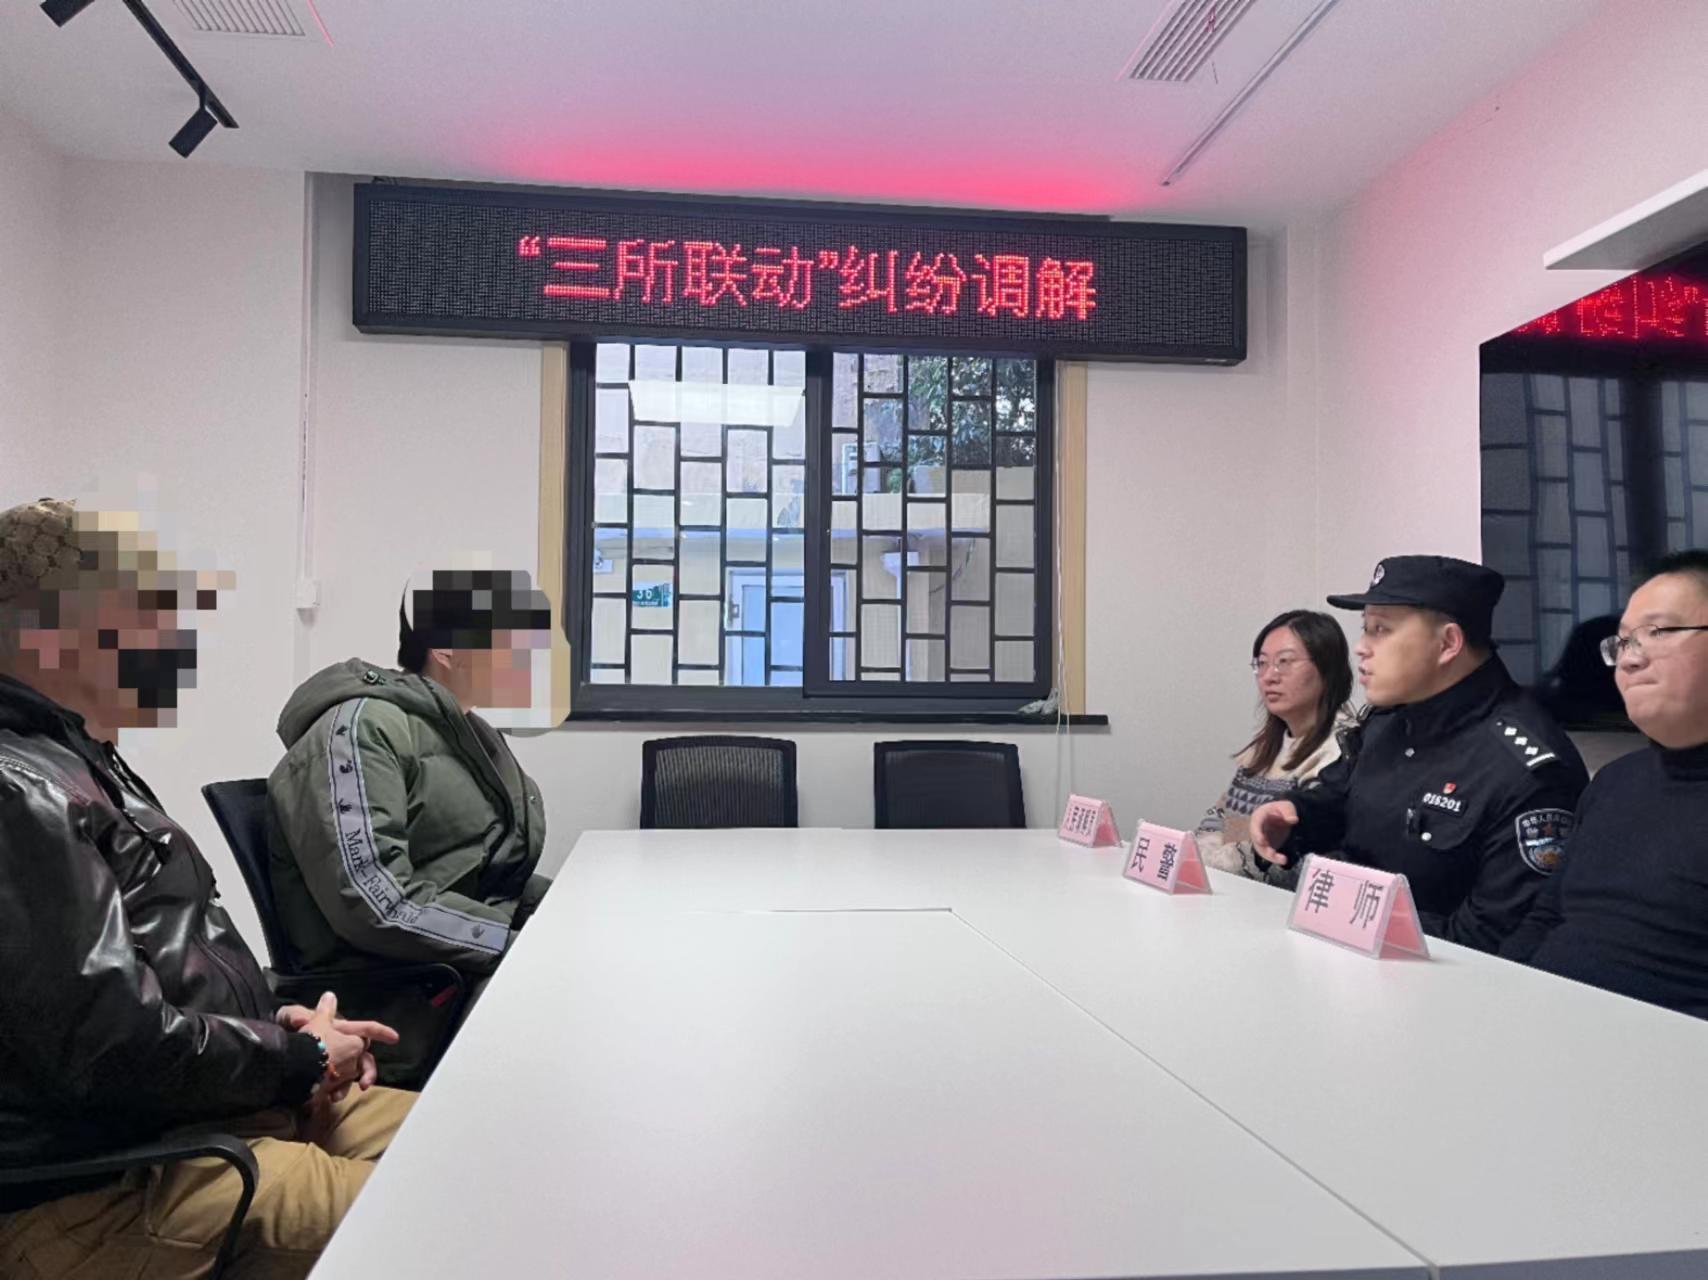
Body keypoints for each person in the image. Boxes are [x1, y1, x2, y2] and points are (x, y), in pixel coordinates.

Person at [0, 498, 412, 1280]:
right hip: (105, 1187)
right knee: (466, 1212)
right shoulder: (19, 787)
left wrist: (277, 1025)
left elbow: (142, 977)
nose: (171, 640)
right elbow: (109, 1049)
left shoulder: (79, 759)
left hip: (200, 1117)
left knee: (490, 1146)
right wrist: (294, 1056)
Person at [266, 569, 553, 1074]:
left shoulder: (465, 733)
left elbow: (489, 872)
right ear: (447, 650)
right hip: (397, 997)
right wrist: (518, 947)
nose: (523, 655)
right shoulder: (362, 730)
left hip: (449, 967)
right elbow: (376, 900)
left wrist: (566, 913)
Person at [1248, 555, 1589, 952]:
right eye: (1365, 629)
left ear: (1448, 643)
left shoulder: (1527, 769)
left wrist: (1359, 917)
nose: (1361, 648)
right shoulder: (1388, 721)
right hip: (1342, 952)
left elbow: (1497, 939)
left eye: (1380, 630)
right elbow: (1337, 796)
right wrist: (1293, 816)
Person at [1503, 551, 1708, 1018]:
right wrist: (1498, 999)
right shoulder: (1615, 781)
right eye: (1623, 641)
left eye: (1658, 632)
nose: (1630, 659)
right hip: (1541, 1031)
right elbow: (1546, 918)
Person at [1196, 610, 1356, 889]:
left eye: (1284, 662)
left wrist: (1202, 861)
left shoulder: (1343, 750)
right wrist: (1198, 856)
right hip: (1230, 891)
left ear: (1328, 668)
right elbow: (1216, 821)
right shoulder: (1266, 747)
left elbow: (1288, 862)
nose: (1268, 676)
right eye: (1262, 663)